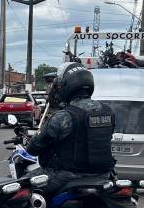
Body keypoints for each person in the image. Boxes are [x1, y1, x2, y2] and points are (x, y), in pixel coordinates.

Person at [23, 62, 115, 195]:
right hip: (104, 176)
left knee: (18, 190)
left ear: (67, 87)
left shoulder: (64, 116)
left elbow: (33, 148)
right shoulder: (108, 111)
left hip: (67, 176)